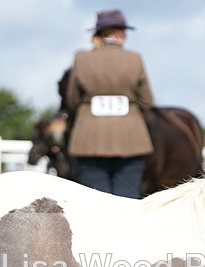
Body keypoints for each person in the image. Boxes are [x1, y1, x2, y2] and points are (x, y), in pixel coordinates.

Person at [64, 8, 154, 198]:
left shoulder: (82, 59)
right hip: (131, 139)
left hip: (89, 140)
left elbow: (72, 100)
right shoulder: (134, 59)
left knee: (95, 202)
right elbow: (147, 101)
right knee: (127, 199)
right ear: (118, 32)